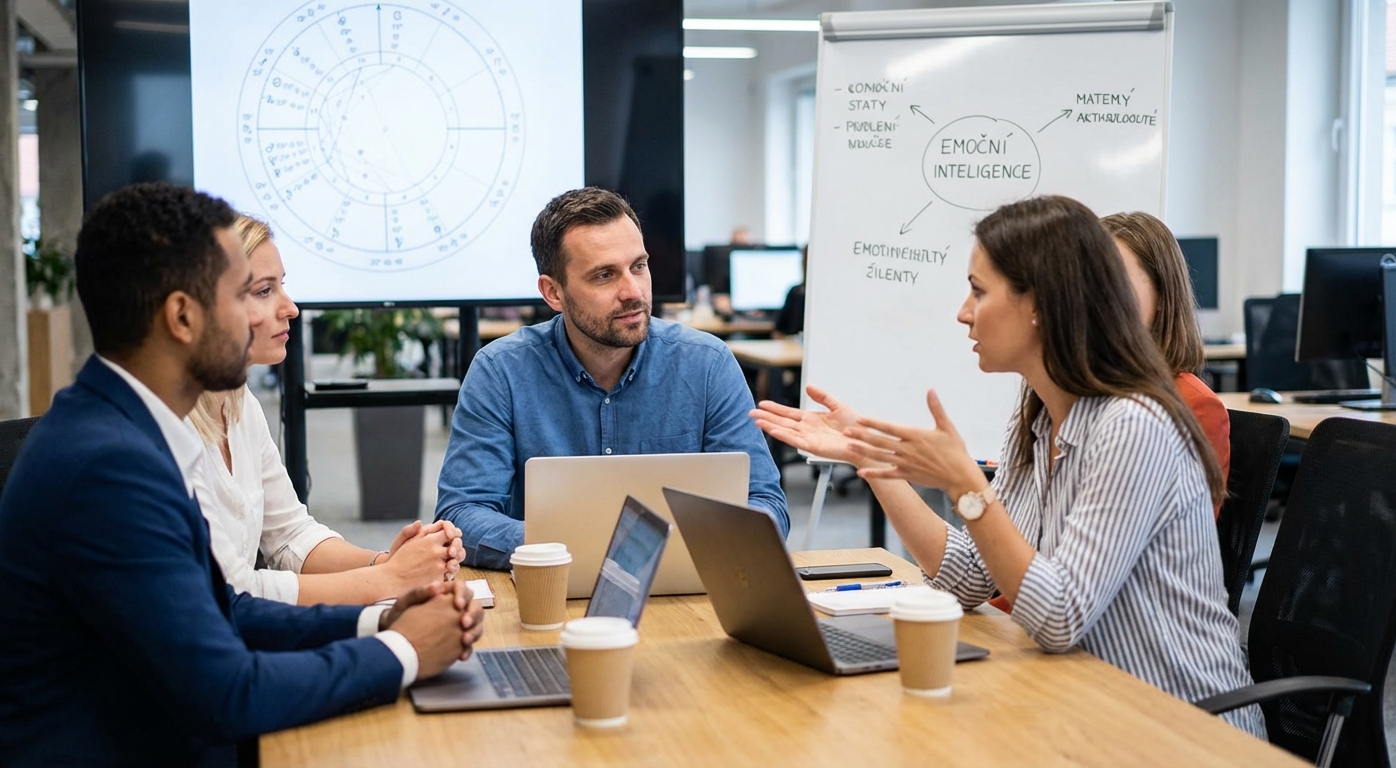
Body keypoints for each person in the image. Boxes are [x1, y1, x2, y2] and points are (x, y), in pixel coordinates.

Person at [0, 183, 484, 765]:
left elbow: (225, 608)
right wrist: (404, 650)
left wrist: (379, 619)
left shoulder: (126, 427)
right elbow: (228, 693)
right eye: (243, 294)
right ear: (182, 316)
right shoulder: (109, 467)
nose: (276, 313)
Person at [751, 195, 1264, 737]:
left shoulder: (1134, 425)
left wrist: (966, 486)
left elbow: (1059, 617)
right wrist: (871, 457)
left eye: (978, 291)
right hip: (1089, 703)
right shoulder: (1040, 415)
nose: (963, 312)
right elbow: (968, 578)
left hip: (1180, 726)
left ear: (1041, 303)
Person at [437, 187, 788, 569]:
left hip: (681, 588)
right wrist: (569, 548)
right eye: (604, 275)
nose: (633, 292)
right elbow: (462, 513)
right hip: (549, 587)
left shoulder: (706, 365)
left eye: (638, 266)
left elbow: (764, 502)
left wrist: (702, 543)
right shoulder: (501, 372)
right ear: (553, 292)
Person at [188, 215, 465, 605]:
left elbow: (290, 535)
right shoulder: (171, 427)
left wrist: (385, 563)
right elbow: (231, 592)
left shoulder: (240, 403)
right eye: (265, 291)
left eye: (282, 286)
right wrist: (389, 579)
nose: (291, 308)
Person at [1102, 211, 1231, 506]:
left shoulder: (1193, 404)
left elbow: (1187, 527)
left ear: (1162, 294)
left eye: (1115, 282)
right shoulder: (1083, 391)